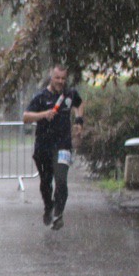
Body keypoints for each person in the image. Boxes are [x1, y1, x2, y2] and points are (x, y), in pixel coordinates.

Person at [23, 64, 84, 230]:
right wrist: (44, 114)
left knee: (61, 180)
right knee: (45, 182)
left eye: (63, 78)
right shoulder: (41, 97)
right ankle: (48, 206)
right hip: (43, 147)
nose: (60, 81)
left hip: (63, 145)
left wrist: (79, 121)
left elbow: (79, 104)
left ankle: (58, 213)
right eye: (57, 78)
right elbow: (26, 117)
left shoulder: (70, 94)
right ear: (51, 77)